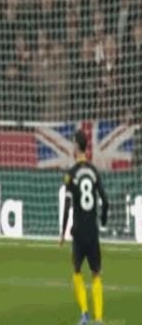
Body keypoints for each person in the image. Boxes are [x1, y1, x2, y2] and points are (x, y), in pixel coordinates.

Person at [60, 130, 109, 325]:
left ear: (75, 147)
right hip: (93, 231)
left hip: (78, 231)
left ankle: (84, 314)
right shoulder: (94, 171)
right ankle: (99, 318)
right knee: (96, 273)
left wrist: (62, 233)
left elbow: (67, 206)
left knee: (77, 271)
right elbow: (105, 200)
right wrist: (103, 220)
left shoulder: (71, 174)